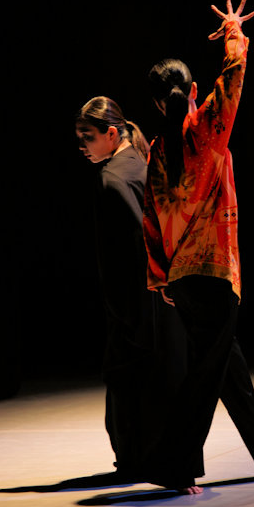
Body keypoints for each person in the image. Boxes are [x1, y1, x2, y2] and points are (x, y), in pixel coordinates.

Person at [143, 0, 254, 494]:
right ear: (193, 91)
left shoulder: (158, 151)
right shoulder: (206, 130)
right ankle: (173, 463)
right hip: (213, 272)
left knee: (225, 366)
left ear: (157, 103)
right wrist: (233, 32)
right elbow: (233, 77)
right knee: (208, 372)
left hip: (182, 278)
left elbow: (150, 218)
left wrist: (159, 277)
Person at [75, 96, 187, 482]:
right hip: (164, 289)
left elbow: (132, 244)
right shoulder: (143, 162)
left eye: (88, 137)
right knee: (161, 374)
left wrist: (123, 304)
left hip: (137, 294)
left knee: (127, 378)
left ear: (111, 134)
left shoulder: (112, 179)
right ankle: (158, 460)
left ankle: (136, 460)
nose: (82, 146)